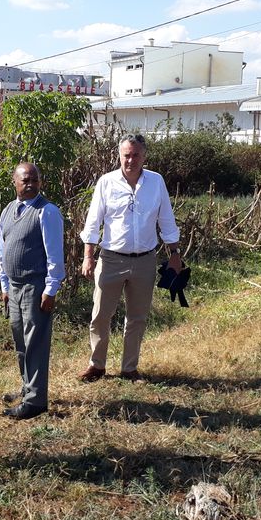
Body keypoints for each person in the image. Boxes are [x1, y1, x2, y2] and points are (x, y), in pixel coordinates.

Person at [78, 134, 181, 383]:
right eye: (126, 155)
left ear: (144, 156)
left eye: (135, 155)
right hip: (111, 259)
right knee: (101, 314)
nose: (130, 160)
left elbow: (166, 220)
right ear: (119, 155)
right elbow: (93, 221)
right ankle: (97, 366)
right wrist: (88, 256)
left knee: (137, 317)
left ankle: (129, 368)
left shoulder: (156, 182)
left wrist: (175, 254)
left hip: (145, 260)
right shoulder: (107, 182)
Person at [0, 163, 64, 420]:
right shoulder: (8, 211)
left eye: (35, 180)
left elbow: (55, 255)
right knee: (21, 341)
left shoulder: (46, 212)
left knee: (36, 342)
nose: (31, 184)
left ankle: (35, 401)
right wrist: (4, 284)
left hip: (35, 286)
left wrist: (51, 288)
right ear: (14, 181)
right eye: (25, 180)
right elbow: (2, 251)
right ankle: (28, 387)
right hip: (13, 287)